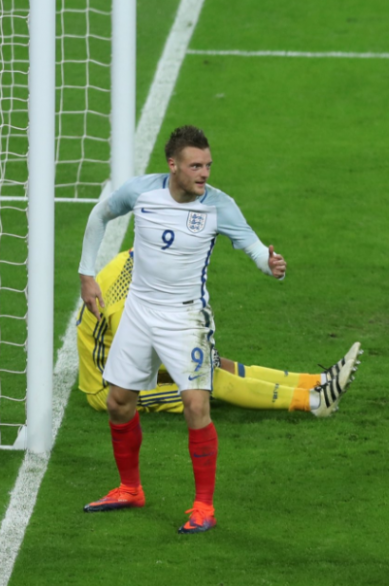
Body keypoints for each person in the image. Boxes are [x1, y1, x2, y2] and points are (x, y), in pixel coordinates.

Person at [78, 125, 359, 534]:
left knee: (196, 405)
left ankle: (204, 507)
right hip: (139, 312)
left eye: (208, 165)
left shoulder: (219, 206)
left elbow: (254, 247)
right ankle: (129, 488)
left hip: (185, 318)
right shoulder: (140, 192)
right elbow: (100, 214)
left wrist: (271, 266)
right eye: (195, 166)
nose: (204, 173)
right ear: (172, 165)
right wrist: (87, 274)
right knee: (119, 402)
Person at [77, 249, 361, 417]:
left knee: (214, 364)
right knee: (208, 381)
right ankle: (315, 402)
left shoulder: (136, 260)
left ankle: (319, 380)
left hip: (128, 360)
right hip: (112, 388)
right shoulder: (125, 305)